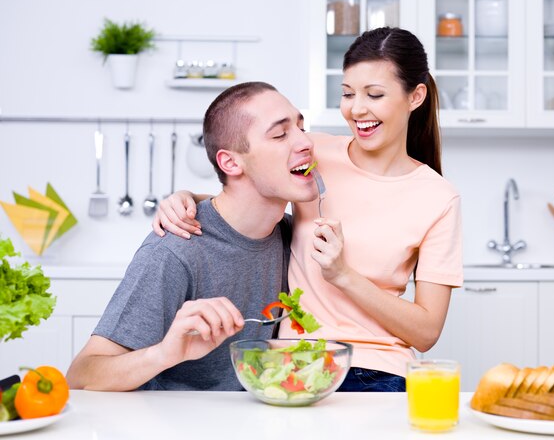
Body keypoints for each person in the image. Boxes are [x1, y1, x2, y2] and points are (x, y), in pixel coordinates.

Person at [153, 27, 463, 392]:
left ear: (416, 97)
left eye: (374, 94)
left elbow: (426, 332)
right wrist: (187, 197)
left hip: (376, 369)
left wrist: (343, 274)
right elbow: (250, 187)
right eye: (348, 94)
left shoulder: (438, 197)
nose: (357, 108)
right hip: (291, 362)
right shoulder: (314, 152)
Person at [66, 82, 318, 391]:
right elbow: (80, 375)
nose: (306, 142)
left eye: (302, 127)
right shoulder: (176, 249)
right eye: (280, 134)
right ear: (230, 162)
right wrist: (163, 354)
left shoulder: (294, 235)